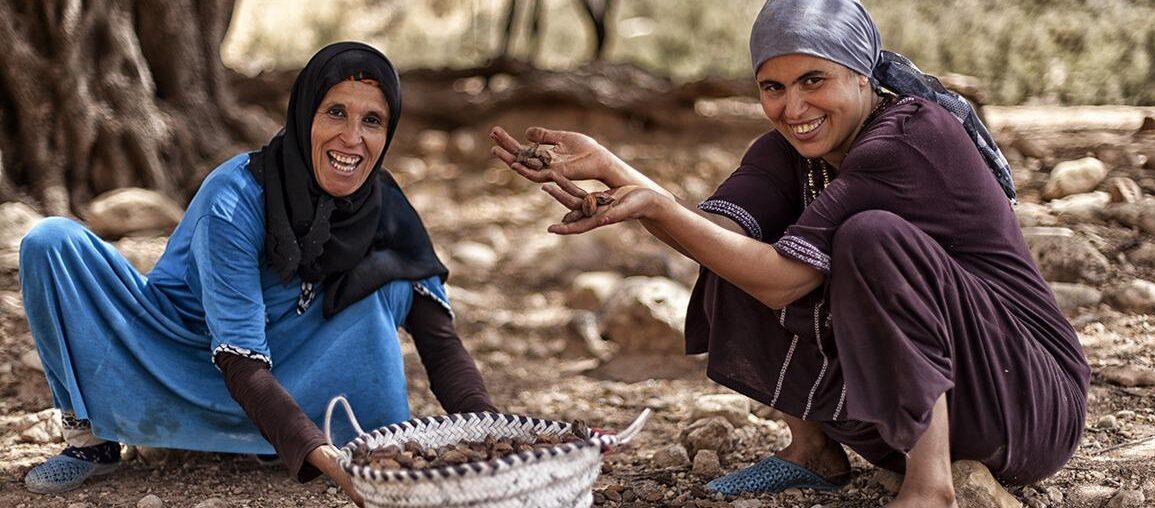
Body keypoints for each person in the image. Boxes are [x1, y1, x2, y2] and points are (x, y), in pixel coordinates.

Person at [489, 0, 1089, 506]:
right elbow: (709, 233)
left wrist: (656, 208)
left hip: (1026, 407)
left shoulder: (910, 136)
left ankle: (930, 488)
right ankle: (814, 451)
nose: (793, 109)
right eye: (772, 88)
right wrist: (612, 171)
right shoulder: (786, 151)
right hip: (897, 422)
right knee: (728, 247)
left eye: (813, 81)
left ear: (862, 75)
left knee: (871, 237)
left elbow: (782, 281)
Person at [20, 41, 496, 505]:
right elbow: (240, 361)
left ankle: (294, 434)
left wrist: (495, 436)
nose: (352, 138)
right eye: (335, 112)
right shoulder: (235, 200)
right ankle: (93, 441)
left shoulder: (383, 204)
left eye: (372, 120)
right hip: (180, 359)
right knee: (50, 242)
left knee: (389, 278)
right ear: (305, 113)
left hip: (285, 366)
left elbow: (438, 341)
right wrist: (326, 462)